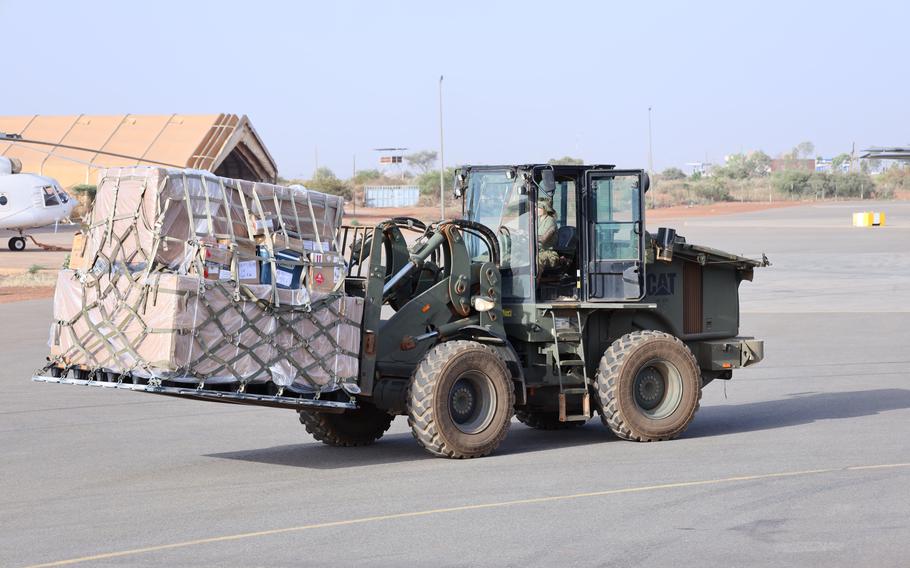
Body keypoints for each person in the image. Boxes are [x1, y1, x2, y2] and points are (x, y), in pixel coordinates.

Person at [537, 196, 559, 272]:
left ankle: (536, 282)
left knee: (536, 261)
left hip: (548, 252)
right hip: (537, 250)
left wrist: (529, 236)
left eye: (539, 207)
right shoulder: (538, 220)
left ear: (545, 209)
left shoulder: (550, 221)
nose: (536, 209)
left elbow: (543, 239)